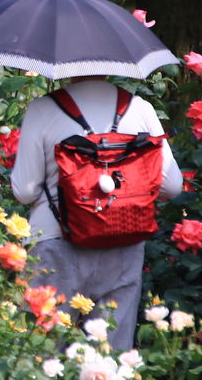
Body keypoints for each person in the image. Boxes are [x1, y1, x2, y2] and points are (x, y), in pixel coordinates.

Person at [11, 75, 183, 351]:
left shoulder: (43, 109)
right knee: (110, 354)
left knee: (40, 352)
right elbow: (173, 186)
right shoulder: (140, 108)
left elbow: (25, 191)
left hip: (56, 242)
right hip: (124, 240)